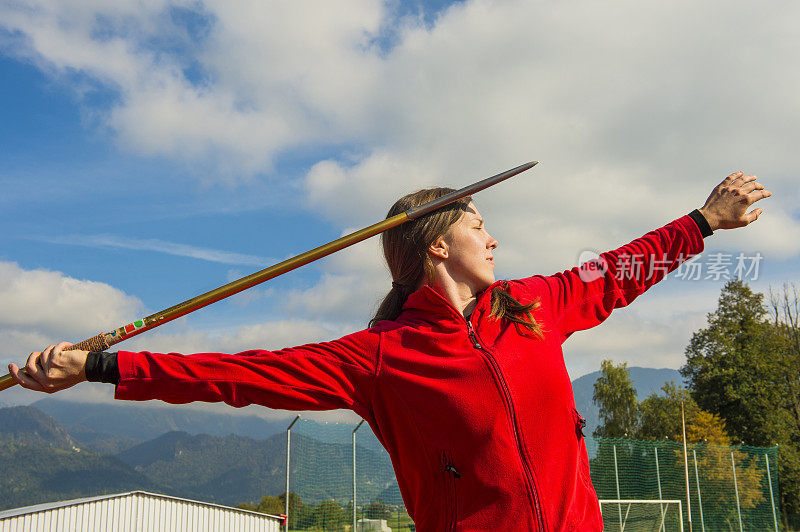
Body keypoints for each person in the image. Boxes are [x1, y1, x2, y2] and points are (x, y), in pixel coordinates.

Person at [9, 171, 772, 531]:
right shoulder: (379, 357)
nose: (494, 236)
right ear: (438, 245)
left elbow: (620, 267)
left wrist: (703, 219)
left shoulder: (537, 305)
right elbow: (240, 375)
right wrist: (99, 363)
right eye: (479, 225)